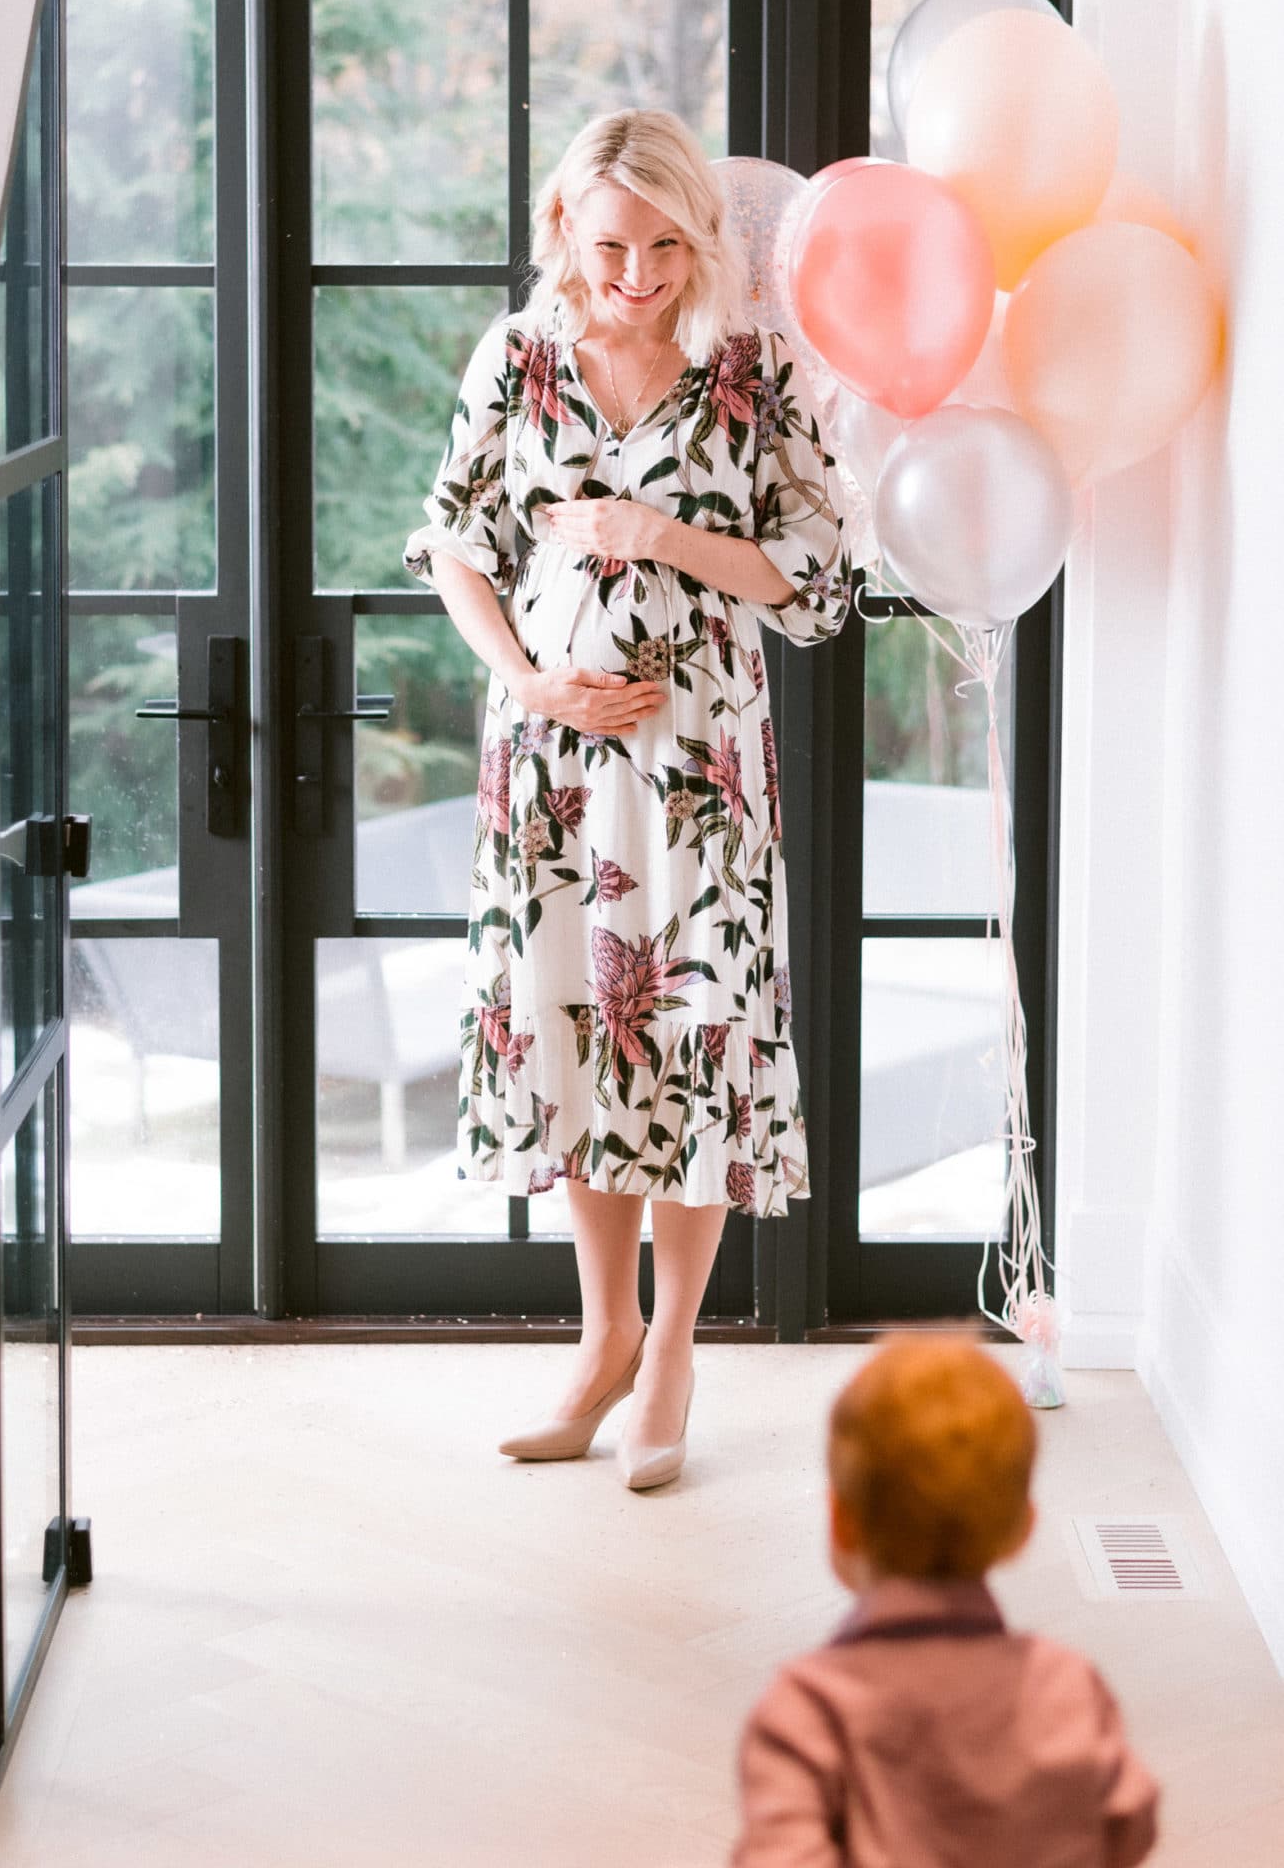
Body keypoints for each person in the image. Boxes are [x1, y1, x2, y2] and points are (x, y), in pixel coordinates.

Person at [403, 109, 850, 1490]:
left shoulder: (754, 374)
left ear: (699, 240)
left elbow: (820, 582)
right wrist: (531, 684)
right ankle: (598, 1345)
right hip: (549, 769)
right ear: (560, 231)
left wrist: (658, 534)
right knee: (585, 1038)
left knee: (691, 1036)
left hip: (700, 775)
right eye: (610, 246)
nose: (638, 275)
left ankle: (670, 1351)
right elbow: (453, 546)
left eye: (665, 245)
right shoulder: (517, 360)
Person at [732, 1337, 1160, 1866]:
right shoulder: (1067, 1687)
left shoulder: (809, 1711)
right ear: (1023, 1529)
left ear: (841, 1521)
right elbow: (1129, 1822)